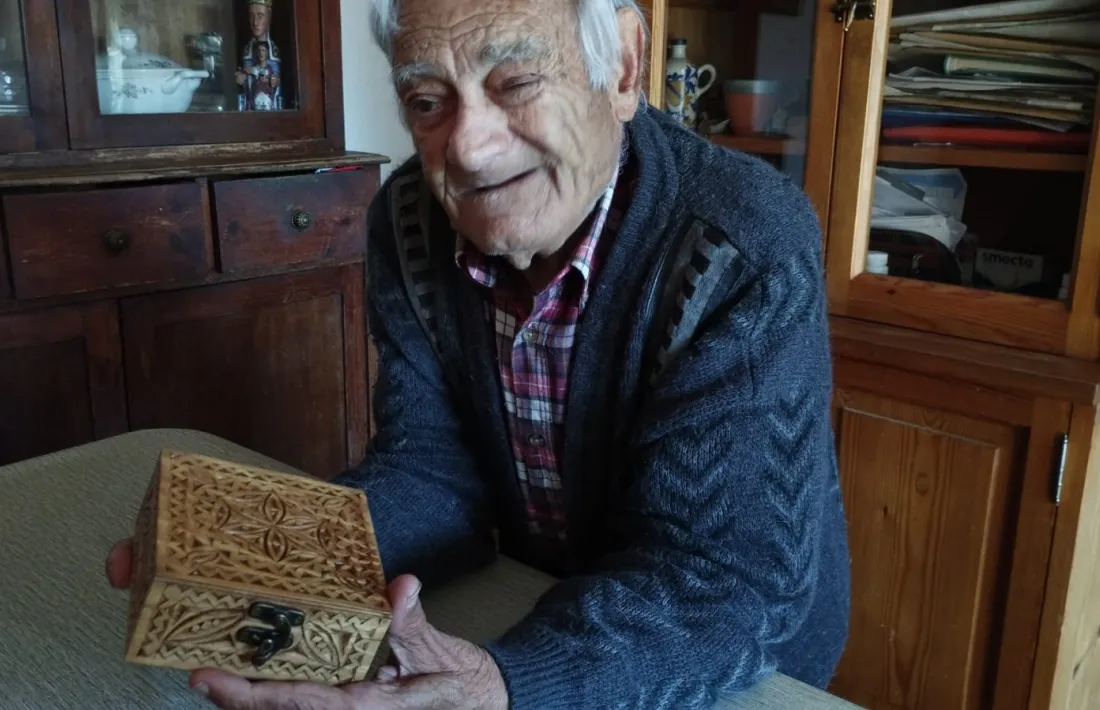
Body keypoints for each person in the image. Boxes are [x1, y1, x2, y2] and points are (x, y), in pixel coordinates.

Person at [105, 0, 851, 707]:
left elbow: (725, 586)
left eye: (517, 82)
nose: (468, 145)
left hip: (744, 662)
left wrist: (507, 682)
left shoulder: (746, 240)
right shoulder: (408, 219)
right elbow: (432, 469)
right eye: (428, 102)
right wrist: (280, 556)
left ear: (623, 68)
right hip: (534, 599)